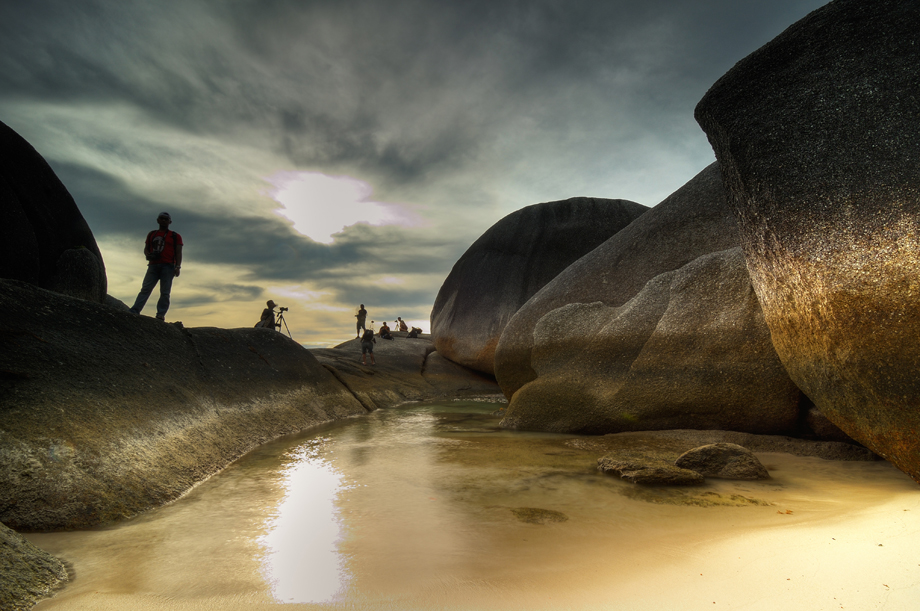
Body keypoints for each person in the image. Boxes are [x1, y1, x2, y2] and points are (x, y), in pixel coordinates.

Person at [130, 212, 183, 321]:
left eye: (166, 219)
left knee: (165, 292)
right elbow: (146, 248)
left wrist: (178, 266)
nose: (163, 221)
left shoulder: (175, 236)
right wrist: (148, 255)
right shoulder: (152, 234)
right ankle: (135, 310)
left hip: (168, 266)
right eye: (161, 218)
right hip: (153, 265)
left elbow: (178, 252)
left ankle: (160, 314)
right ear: (157, 220)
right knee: (145, 289)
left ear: (170, 222)